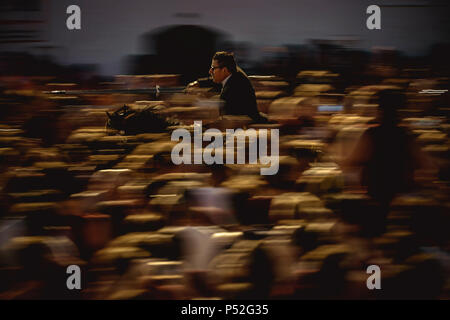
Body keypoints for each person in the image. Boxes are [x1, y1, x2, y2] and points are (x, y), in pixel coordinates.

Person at [209, 51, 268, 123]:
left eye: (213, 68)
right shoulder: (234, 76)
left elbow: (227, 118)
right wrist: (199, 82)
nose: (210, 71)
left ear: (224, 70)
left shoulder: (233, 88)